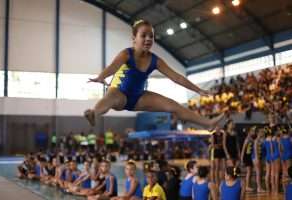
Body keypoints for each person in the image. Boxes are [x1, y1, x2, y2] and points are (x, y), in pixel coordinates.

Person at [84, 19, 224, 129]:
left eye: (151, 36)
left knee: (174, 106)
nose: (148, 39)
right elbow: (113, 67)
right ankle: (93, 113)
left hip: (139, 97)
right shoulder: (126, 54)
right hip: (119, 93)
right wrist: (101, 77)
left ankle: (208, 123)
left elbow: (177, 77)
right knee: (110, 98)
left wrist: (198, 90)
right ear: (134, 38)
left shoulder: (155, 60)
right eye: (143, 35)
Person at [240, 126, 255, 192]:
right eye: (252, 131)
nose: (253, 132)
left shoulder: (251, 139)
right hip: (246, 156)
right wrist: (242, 159)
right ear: (249, 132)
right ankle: (246, 186)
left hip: (250, 156)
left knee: (250, 172)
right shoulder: (247, 139)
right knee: (249, 171)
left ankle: (248, 185)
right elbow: (243, 150)